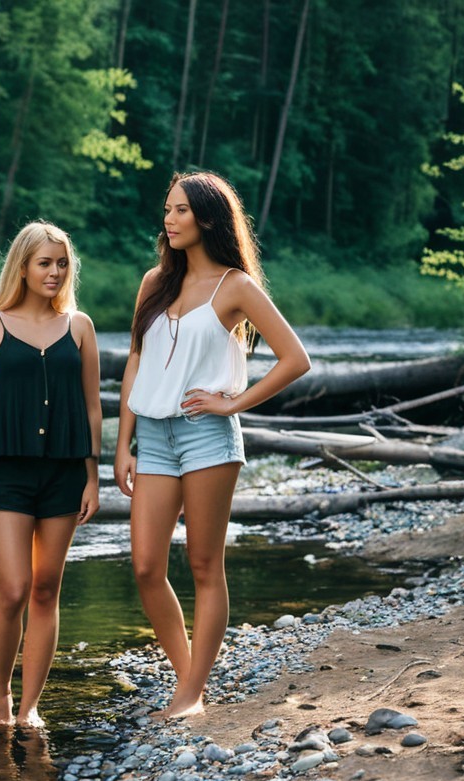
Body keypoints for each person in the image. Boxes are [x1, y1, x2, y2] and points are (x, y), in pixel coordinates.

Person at [114, 172, 311, 719]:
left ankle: (190, 693)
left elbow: (295, 359)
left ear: (206, 218)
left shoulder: (236, 287)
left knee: (204, 564)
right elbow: (136, 361)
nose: (168, 220)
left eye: (179, 210)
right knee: (147, 566)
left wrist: (232, 403)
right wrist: (123, 441)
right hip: (152, 435)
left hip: (206, 435)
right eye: (167, 210)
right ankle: (190, 681)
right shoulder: (155, 282)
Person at [0, 221, 102, 728]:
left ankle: (30, 705)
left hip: (63, 473)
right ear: (23, 265)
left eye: (62, 263)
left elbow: (90, 407)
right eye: (45, 263)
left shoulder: (79, 326)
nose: (55, 272)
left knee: (46, 589)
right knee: (14, 589)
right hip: (3, 472)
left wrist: (92, 476)